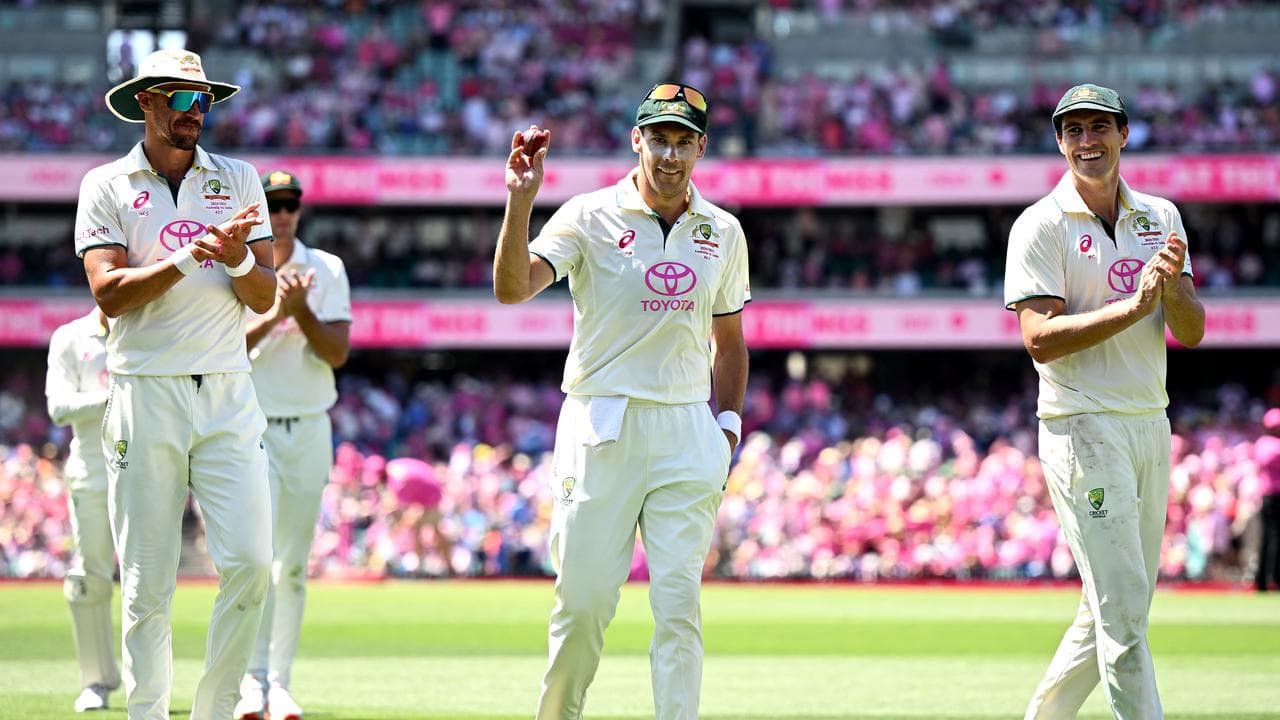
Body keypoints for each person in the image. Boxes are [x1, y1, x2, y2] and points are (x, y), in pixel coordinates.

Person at [493, 82, 750, 720]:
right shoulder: (587, 215)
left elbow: (731, 341)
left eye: (683, 141)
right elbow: (513, 288)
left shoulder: (723, 229)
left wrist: (727, 427)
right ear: (636, 139)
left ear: (701, 148)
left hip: (688, 427)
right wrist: (520, 202)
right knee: (582, 606)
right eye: (658, 139)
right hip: (600, 418)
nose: (669, 154)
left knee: (678, 607)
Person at [74, 48, 277, 720]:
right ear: (146, 103)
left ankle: (215, 711)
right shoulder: (106, 184)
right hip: (144, 389)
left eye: (206, 100)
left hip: (226, 386)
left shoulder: (240, 177)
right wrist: (194, 254)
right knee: (146, 585)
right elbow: (109, 295)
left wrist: (238, 253)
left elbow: (263, 294)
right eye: (184, 100)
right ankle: (147, 713)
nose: (198, 112)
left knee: (251, 564)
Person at [1004, 83, 1205, 719]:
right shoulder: (1039, 224)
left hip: (1150, 421)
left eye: (1099, 128)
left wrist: (1169, 291)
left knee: (1114, 609)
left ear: (1123, 133)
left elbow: (1192, 329)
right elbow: (1038, 340)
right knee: (1124, 619)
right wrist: (1134, 306)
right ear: (1060, 141)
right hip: (1081, 425)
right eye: (1073, 131)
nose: (1087, 142)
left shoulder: (1161, 217)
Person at [234, 171, 352, 720]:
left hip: (307, 425)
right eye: (273, 205)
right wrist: (277, 311)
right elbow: (227, 347)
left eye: (290, 205)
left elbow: (337, 353)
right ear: (259, 210)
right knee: (256, 562)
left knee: (294, 566)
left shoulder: (326, 269)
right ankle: (249, 682)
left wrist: (301, 311)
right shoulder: (242, 266)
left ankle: (279, 683)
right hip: (250, 428)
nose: (282, 214)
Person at [45, 308, 122, 712]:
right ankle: (97, 682)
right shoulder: (71, 337)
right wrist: (118, 396)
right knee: (89, 577)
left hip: (151, 467)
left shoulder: (153, 325)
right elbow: (59, 407)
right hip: (92, 469)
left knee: (150, 581)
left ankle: (150, 683)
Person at [1254, 408, 1280, 591]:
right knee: (1275, 539)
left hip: (1267, 497)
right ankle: (1275, 578)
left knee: (1266, 539)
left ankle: (1262, 579)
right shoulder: (1272, 445)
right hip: (1275, 497)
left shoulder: (1261, 443)